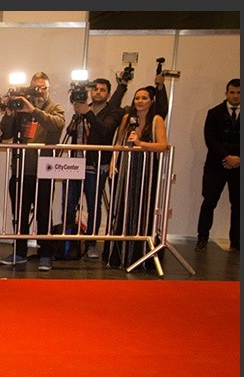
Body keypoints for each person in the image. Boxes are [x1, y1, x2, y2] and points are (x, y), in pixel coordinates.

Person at [0, 72, 66, 271]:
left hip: (44, 170)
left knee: (43, 214)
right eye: (36, 87)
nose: (40, 91)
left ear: (48, 88)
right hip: (21, 170)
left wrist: (33, 110)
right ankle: (19, 252)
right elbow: (6, 134)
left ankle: (45, 254)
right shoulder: (21, 107)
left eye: (43, 87)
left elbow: (56, 124)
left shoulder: (55, 107)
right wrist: (10, 114)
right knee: (19, 214)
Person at [103, 86, 168, 269]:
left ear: (151, 101)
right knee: (123, 209)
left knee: (144, 210)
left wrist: (141, 143)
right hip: (126, 171)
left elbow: (162, 145)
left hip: (147, 173)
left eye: (144, 98)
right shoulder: (127, 118)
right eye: (137, 98)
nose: (139, 101)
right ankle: (120, 256)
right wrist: (113, 162)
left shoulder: (156, 120)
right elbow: (118, 142)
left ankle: (142, 256)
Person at [62, 77, 125, 259]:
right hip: (75, 163)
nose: (98, 92)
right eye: (95, 89)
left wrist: (88, 113)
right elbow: (71, 133)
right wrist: (78, 116)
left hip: (96, 165)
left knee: (93, 205)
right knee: (69, 203)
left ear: (108, 93)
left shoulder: (112, 112)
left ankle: (91, 243)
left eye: (102, 90)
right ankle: (69, 241)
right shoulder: (82, 109)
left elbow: (105, 131)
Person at [195, 78, 240, 252]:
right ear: (226, 93)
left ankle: (236, 242)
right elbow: (210, 139)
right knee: (209, 202)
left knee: (238, 205)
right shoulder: (214, 112)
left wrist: (239, 159)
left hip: (240, 166)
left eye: (239, 92)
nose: (235, 96)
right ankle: (202, 238)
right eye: (232, 92)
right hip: (216, 165)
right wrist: (227, 157)